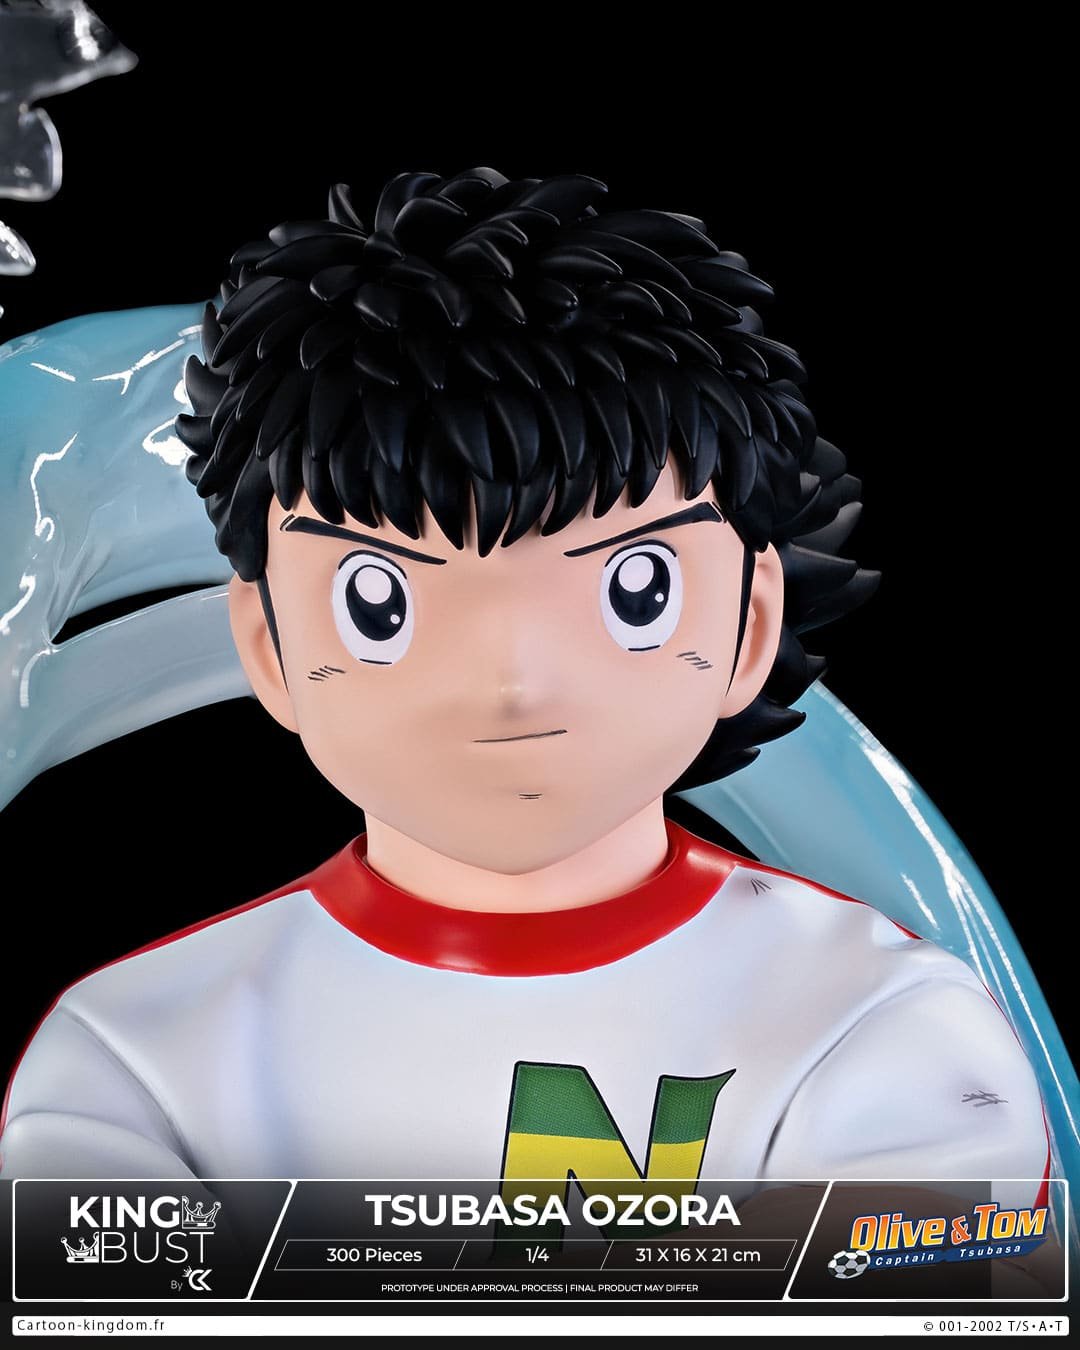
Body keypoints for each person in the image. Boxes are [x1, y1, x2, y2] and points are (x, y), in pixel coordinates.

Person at [0, 168, 1049, 1209]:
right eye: (379, 601)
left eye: (636, 589)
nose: (511, 679)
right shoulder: (133, 1066)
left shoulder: (885, 1030)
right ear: (265, 644)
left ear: (750, 622)